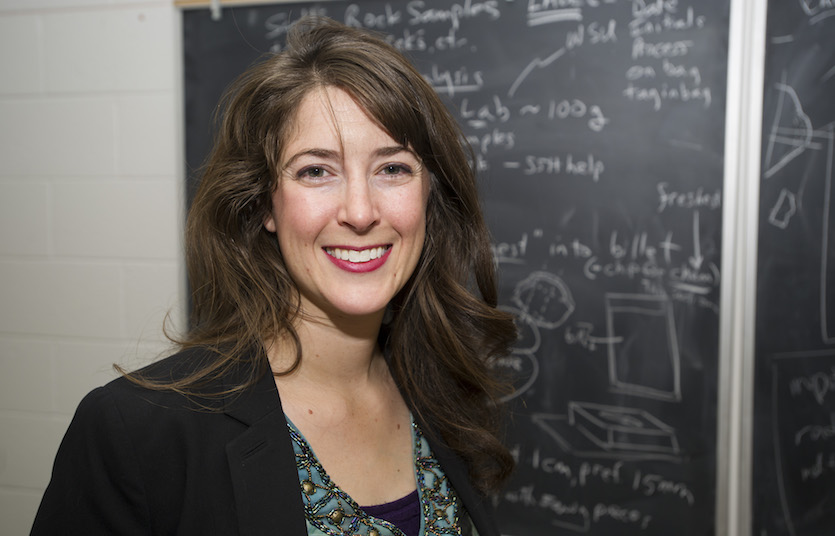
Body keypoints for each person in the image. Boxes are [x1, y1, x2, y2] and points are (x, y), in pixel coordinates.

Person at [31, 16, 517, 536]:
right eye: (315, 171)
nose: (359, 211)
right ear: (266, 203)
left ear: (429, 196)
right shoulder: (138, 431)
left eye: (392, 168)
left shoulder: (446, 396)